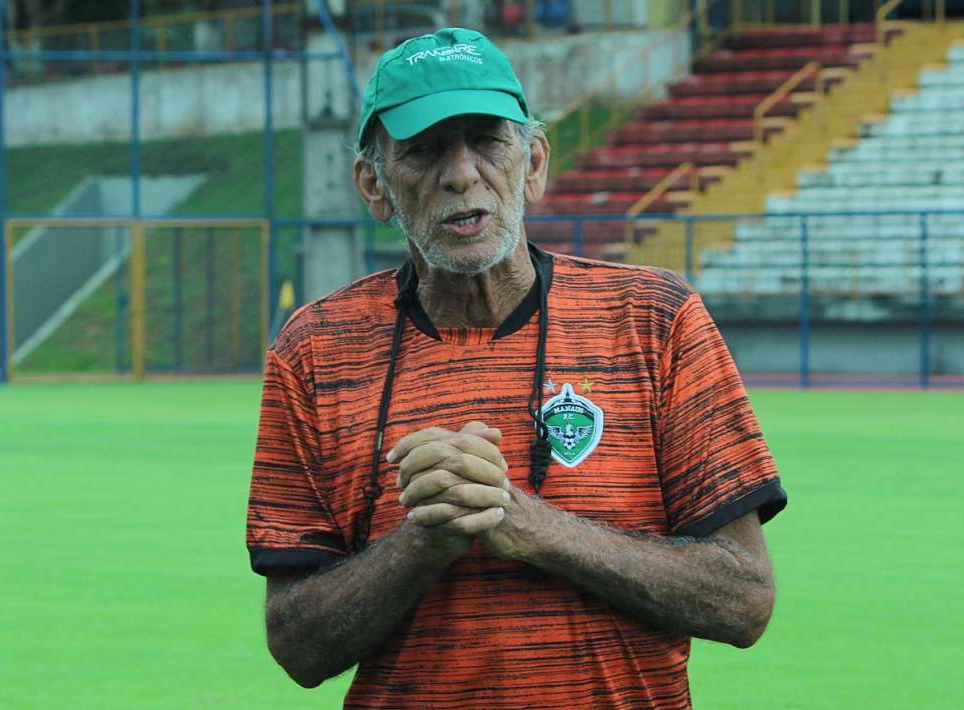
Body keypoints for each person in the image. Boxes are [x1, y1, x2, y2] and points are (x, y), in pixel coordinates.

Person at [246, 27, 787, 709]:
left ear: (533, 162)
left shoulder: (654, 319)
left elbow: (743, 600)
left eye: (487, 141)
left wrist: (531, 526)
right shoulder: (316, 349)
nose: (461, 174)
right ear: (373, 186)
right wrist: (426, 539)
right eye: (423, 151)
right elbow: (297, 647)